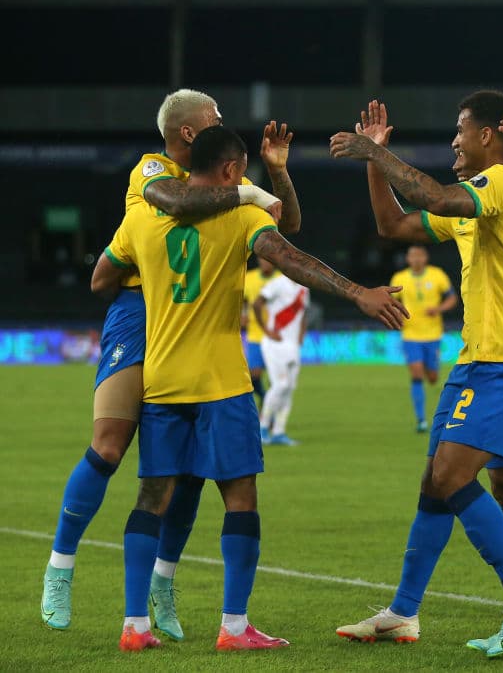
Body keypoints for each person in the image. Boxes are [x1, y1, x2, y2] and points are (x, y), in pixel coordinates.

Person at [93, 125, 407, 652]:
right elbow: (294, 256)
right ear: (234, 172)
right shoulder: (239, 216)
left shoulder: (141, 216)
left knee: (151, 497)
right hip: (220, 382)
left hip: (163, 380)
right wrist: (357, 293)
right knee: (240, 498)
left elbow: (102, 277)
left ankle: (134, 626)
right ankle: (234, 628)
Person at [334, 100, 503, 650]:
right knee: (498, 483)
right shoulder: (492, 199)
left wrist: (375, 153)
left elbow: (437, 195)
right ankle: (405, 612)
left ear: (487, 134)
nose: (454, 143)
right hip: (491, 354)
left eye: (459, 131)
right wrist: (377, 161)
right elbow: (394, 223)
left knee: (456, 476)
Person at [40, 88, 299, 636]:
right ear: (188, 132)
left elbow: (284, 223)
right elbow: (178, 208)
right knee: (109, 446)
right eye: (215, 117)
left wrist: (272, 177)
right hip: (140, 310)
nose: (223, 122)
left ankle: (161, 582)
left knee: (182, 472)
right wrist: (246, 193)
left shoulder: (212, 176)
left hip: (194, 310)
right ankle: (60, 567)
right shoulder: (152, 171)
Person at [389, 244, 457, 432]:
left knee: (433, 377)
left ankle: (431, 369)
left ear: (425, 258)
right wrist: (397, 315)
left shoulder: (437, 275)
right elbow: (392, 301)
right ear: (408, 259)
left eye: (419, 256)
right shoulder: (400, 278)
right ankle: (421, 421)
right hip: (410, 334)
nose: (416, 259)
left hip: (433, 334)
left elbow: (452, 298)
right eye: (412, 256)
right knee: (416, 374)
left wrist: (439, 309)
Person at [254, 272, 309, 446]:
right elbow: (257, 303)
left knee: (290, 388)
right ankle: (262, 428)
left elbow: (304, 314)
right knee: (280, 385)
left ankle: (279, 431)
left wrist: (300, 336)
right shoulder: (278, 283)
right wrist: (266, 330)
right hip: (274, 343)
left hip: (292, 345)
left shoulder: (304, 288)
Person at [242, 258, 278, 408]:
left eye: (268, 260)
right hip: (255, 335)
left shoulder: (281, 280)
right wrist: (242, 314)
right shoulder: (249, 278)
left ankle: (271, 411)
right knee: (254, 374)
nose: (264, 263)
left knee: (275, 379)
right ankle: (263, 396)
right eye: (262, 260)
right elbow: (241, 300)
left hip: (275, 336)